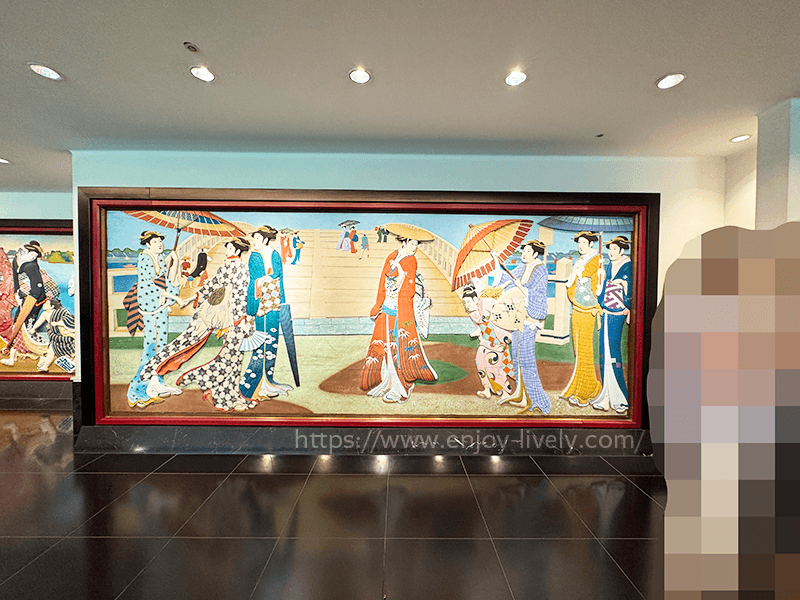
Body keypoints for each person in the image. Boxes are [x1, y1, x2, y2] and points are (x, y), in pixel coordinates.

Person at [163, 237, 257, 412]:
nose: (227, 251)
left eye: (230, 248)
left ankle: (225, 394)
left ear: (237, 250)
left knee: (234, 358)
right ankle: (205, 381)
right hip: (232, 317)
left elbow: (240, 295)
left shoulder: (240, 267)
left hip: (235, 317)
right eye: (227, 248)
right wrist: (192, 298)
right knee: (232, 357)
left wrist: (241, 320)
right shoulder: (230, 267)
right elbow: (212, 287)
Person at [360, 224, 437, 403]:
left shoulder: (411, 260)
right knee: (387, 347)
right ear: (404, 241)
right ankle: (388, 383)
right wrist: (379, 304)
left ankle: (401, 388)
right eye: (412, 243)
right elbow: (383, 281)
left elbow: (408, 286)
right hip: (387, 307)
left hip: (401, 310)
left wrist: (400, 270)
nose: (415, 247)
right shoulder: (392, 255)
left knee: (399, 348)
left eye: (417, 244)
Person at [126, 231, 182, 408]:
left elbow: (166, 279)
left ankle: (156, 385)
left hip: (161, 306)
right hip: (152, 306)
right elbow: (148, 284)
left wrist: (175, 262)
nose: (160, 244)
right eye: (156, 241)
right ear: (148, 244)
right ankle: (137, 392)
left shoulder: (161, 258)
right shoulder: (144, 258)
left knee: (161, 348)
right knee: (151, 348)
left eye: (160, 241)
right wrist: (172, 296)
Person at [494, 240, 550, 413]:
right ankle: (521, 395)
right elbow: (506, 279)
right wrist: (496, 261)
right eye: (523, 251)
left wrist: (524, 290)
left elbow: (539, 294)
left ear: (535, 253)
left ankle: (536, 400)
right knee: (517, 356)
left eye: (527, 251)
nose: (523, 254)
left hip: (529, 318)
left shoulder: (540, 269)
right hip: (518, 318)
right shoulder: (522, 267)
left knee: (527, 359)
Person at [239, 226, 293, 400]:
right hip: (261, 305)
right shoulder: (254, 256)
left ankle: (267, 381)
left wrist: (280, 300)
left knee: (272, 344)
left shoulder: (275, 254)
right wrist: (264, 281)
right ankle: (254, 386)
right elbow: (254, 280)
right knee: (260, 346)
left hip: (274, 304)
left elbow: (278, 276)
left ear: (265, 239)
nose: (254, 242)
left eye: (256, 238)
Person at [560, 231, 603, 406]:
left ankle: (588, 390)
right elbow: (570, 283)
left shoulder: (596, 259)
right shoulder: (581, 259)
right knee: (577, 348)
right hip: (577, 308)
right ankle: (578, 387)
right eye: (579, 242)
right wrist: (576, 271)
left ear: (591, 244)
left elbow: (590, 282)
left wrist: (579, 271)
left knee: (585, 349)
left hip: (587, 309)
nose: (581, 246)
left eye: (584, 242)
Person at [592, 236, 632, 413]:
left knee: (614, 353)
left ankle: (620, 398)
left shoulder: (627, 266)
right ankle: (606, 395)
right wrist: (601, 279)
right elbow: (601, 292)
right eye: (610, 248)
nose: (611, 252)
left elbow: (630, 289)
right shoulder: (608, 265)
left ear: (622, 250)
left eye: (615, 248)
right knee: (604, 353)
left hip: (617, 314)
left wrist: (622, 285)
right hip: (606, 313)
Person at [460, 283, 514, 399]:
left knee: (495, 366)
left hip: (497, 339)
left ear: (475, 299)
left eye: (468, 302)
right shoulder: (473, 313)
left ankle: (504, 391)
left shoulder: (487, 303)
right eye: (464, 303)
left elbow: (501, 316)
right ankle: (487, 389)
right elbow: (479, 327)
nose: (466, 305)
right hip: (485, 341)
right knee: (480, 362)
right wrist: (476, 332)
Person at [33, 297, 75, 373]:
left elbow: (69, 321)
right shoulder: (45, 314)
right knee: (51, 350)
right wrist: (33, 329)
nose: (44, 305)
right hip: (55, 337)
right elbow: (39, 322)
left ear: (52, 306)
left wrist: (57, 323)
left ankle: (73, 365)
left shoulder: (63, 312)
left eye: (47, 304)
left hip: (66, 336)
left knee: (70, 353)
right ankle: (45, 367)